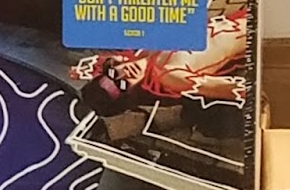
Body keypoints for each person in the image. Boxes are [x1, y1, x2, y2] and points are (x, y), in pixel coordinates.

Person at [75, 10, 248, 116]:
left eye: (113, 74)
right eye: (122, 84)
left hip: (243, 15)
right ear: (132, 94)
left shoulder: (146, 49)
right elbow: (233, 89)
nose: (124, 74)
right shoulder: (170, 76)